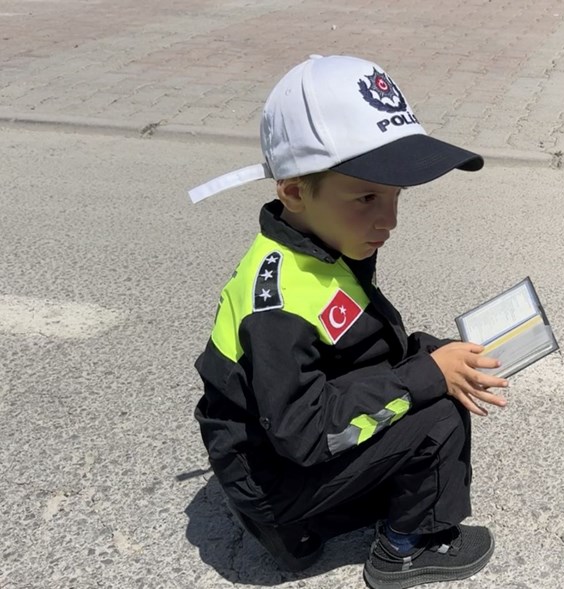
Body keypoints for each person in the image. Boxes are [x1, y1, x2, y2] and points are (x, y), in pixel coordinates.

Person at [187, 54, 509, 589]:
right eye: (366, 197)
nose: (389, 220)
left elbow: (354, 350)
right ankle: (407, 548)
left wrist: (430, 360)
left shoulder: (318, 242)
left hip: (278, 450)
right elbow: (303, 432)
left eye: (395, 195)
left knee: (425, 361)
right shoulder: (278, 306)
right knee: (438, 415)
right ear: (292, 190)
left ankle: (348, 500)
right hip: (275, 482)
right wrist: (428, 379)